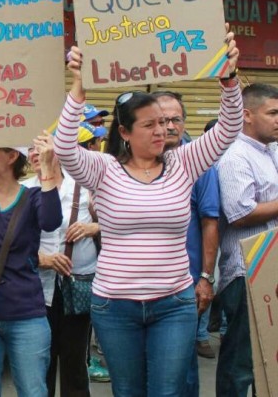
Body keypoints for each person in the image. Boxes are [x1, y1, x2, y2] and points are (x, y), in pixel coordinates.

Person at [53, 40, 242, 396]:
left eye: (165, 123)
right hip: (114, 306)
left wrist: (228, 79)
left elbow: (229, 128)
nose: (162, 131)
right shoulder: (103, 169)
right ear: (124, 133)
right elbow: (64, 147)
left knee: (167, 391)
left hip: (174, 304)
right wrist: (78, 86)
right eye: (149, 125)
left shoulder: (184, 162)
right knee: (128, 391)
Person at [0, 140, 60, 397]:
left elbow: (51, 221)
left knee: (33, 391)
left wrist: (47, 168)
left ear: (11, 156)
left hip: (27, 314)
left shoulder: (33, 197)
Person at [25, 131, 99, 397]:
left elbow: (120, 222)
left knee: (75, 363)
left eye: (42, 148)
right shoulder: (24, 190)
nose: (36, 155)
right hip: (35, 289)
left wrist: (93, 227)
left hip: (77, 285)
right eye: (32, 150)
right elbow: (10, 244)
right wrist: (41, 259)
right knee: (40, 363)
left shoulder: (85, 187)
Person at [216, 82, 278, 396]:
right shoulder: (235, 155)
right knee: (242, 360)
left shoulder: (272, 150)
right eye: (273, 113)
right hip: (246, 270)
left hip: (271, 267)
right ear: (248, 115)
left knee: (270, 354)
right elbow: (240, 212)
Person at [154, 91, 221, 377]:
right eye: (162, 120)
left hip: (184, 287)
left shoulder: (199, 165)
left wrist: (205, 278)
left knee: (179, 371)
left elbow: (210, 223)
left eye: (175, 119)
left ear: (184, 122)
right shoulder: (132, 162)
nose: (169, 126)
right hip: (137, 289)